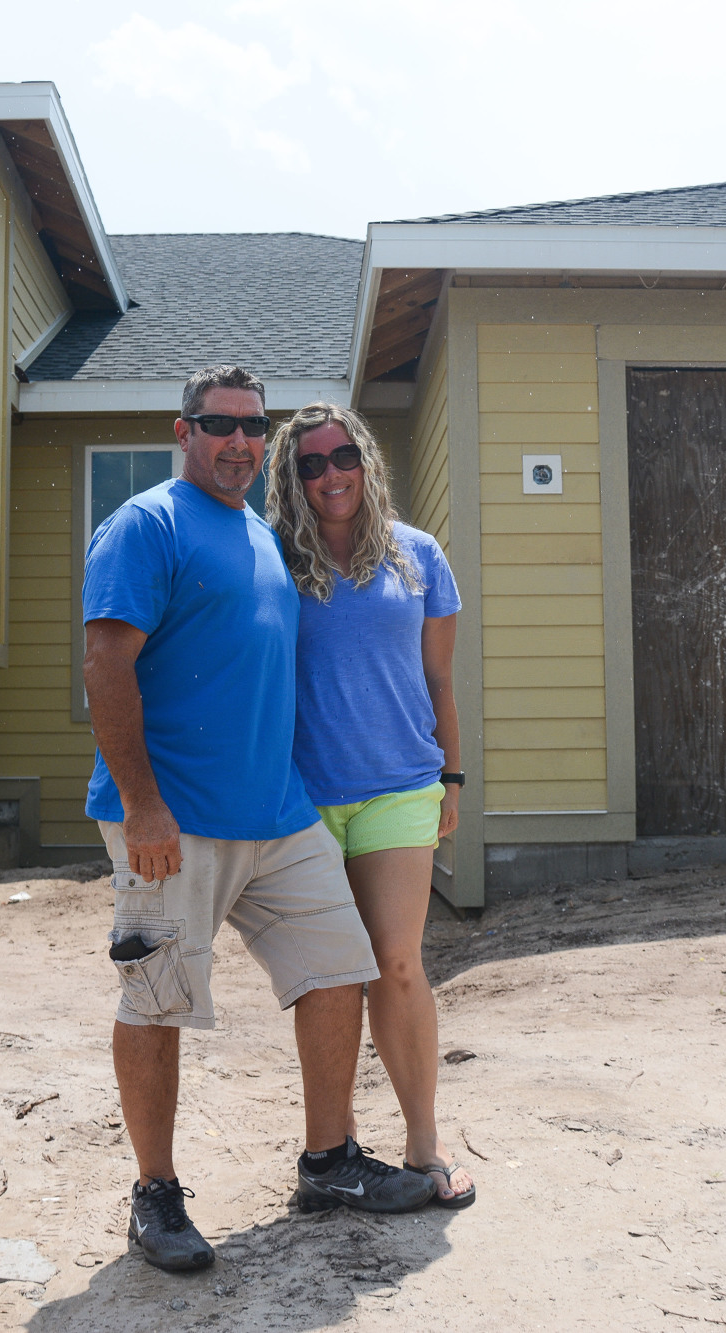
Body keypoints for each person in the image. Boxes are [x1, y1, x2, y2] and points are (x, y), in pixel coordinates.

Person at [82, 366, 436, 1274]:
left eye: (253, 426)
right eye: (219, 425)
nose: (239, 441)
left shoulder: (266, 537)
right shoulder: (148, 524)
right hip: (172, 818)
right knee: (157, 996)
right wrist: (143, 803)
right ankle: (155, 1194)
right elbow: (106, 666)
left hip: (277, 811)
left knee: (338, 968)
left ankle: (329, 1160)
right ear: (184, 430)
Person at [264, 402, 477, 1209]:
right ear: (292, 477)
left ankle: (424, 1139)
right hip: (306, 798)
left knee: (395, 964)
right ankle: (336, 1149)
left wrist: (452, 779)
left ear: (366, 460)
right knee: (330, 978)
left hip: (399, 789)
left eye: (341, 455)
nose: (330, 475)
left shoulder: (419, 556)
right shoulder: (278, 561)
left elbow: (440, 682)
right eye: (310, 464)